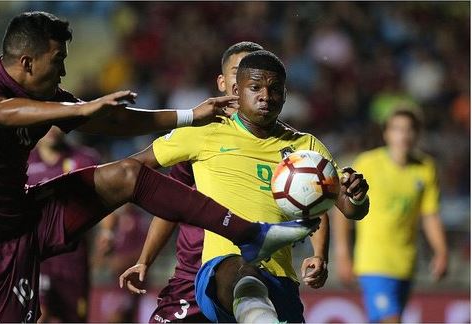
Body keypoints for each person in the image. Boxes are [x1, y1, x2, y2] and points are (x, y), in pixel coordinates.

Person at [0, 12, 320, 322]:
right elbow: (2, 114)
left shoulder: (47, 96)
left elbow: (115, 122)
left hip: (25, 215)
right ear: (26, 62)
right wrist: (80, 108)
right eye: (57, 62)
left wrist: (188, 116)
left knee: (127, 174)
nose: (63, 73)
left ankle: (251, 235)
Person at [120, 50, 370, 323]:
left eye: (274, 89)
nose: (265, 95)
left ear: (284, 95)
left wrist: (355, 197)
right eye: (255, 88)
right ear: (236, 90)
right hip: (220, 269)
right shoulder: (203, 132)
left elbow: (348, 209)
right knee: (243, 269)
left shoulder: (305, 147)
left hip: (280, 277)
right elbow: (133, 167)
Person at [119, 41, 268, 323]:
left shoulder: (285, 144)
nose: (248, 80)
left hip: (256, 276)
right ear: (223, 82)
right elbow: (171, 203)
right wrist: (144, 259)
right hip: (195, 275)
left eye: (256, 73)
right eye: (240, 72)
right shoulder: (200, 134)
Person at [334, 108, 448, 323]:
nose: (403, 135)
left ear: (417, 133)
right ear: (386, 134)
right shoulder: (368, 164)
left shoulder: (425, 168)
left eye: (408, 129)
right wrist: (342, 254)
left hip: (405, 263)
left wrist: (441, 252)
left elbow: (430, 215)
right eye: (397, 129)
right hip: (373, 262)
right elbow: (341, 210)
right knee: (391, 320)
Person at [26, 127, 97, 322]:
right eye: (45, 123)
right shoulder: (22, 162)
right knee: (38, 315)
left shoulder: (84, 160)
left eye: (57, 122)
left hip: (72, 257)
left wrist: (107, 235)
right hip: (35, 258)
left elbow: (105, 201)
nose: (51, 129)